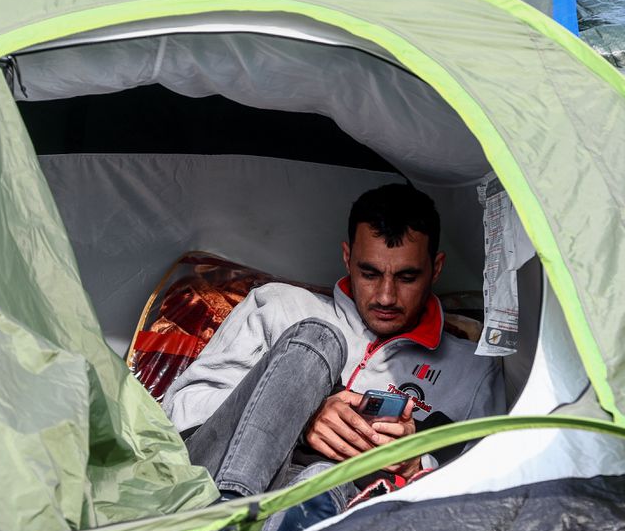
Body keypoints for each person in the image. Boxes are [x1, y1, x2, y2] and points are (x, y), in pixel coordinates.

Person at [163, 183, 505, 510]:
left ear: (436, 269)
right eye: (369, 273)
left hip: (323, 511)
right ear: (347, 258)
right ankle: (227, 516)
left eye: (406, 277)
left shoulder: (472, 371)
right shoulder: (280, 306)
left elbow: (489, 488)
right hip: (205, 485)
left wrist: (416, 463)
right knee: (318, 338)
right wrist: (296, 413)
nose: (386, 296)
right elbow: (180, 415)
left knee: (324, 479)